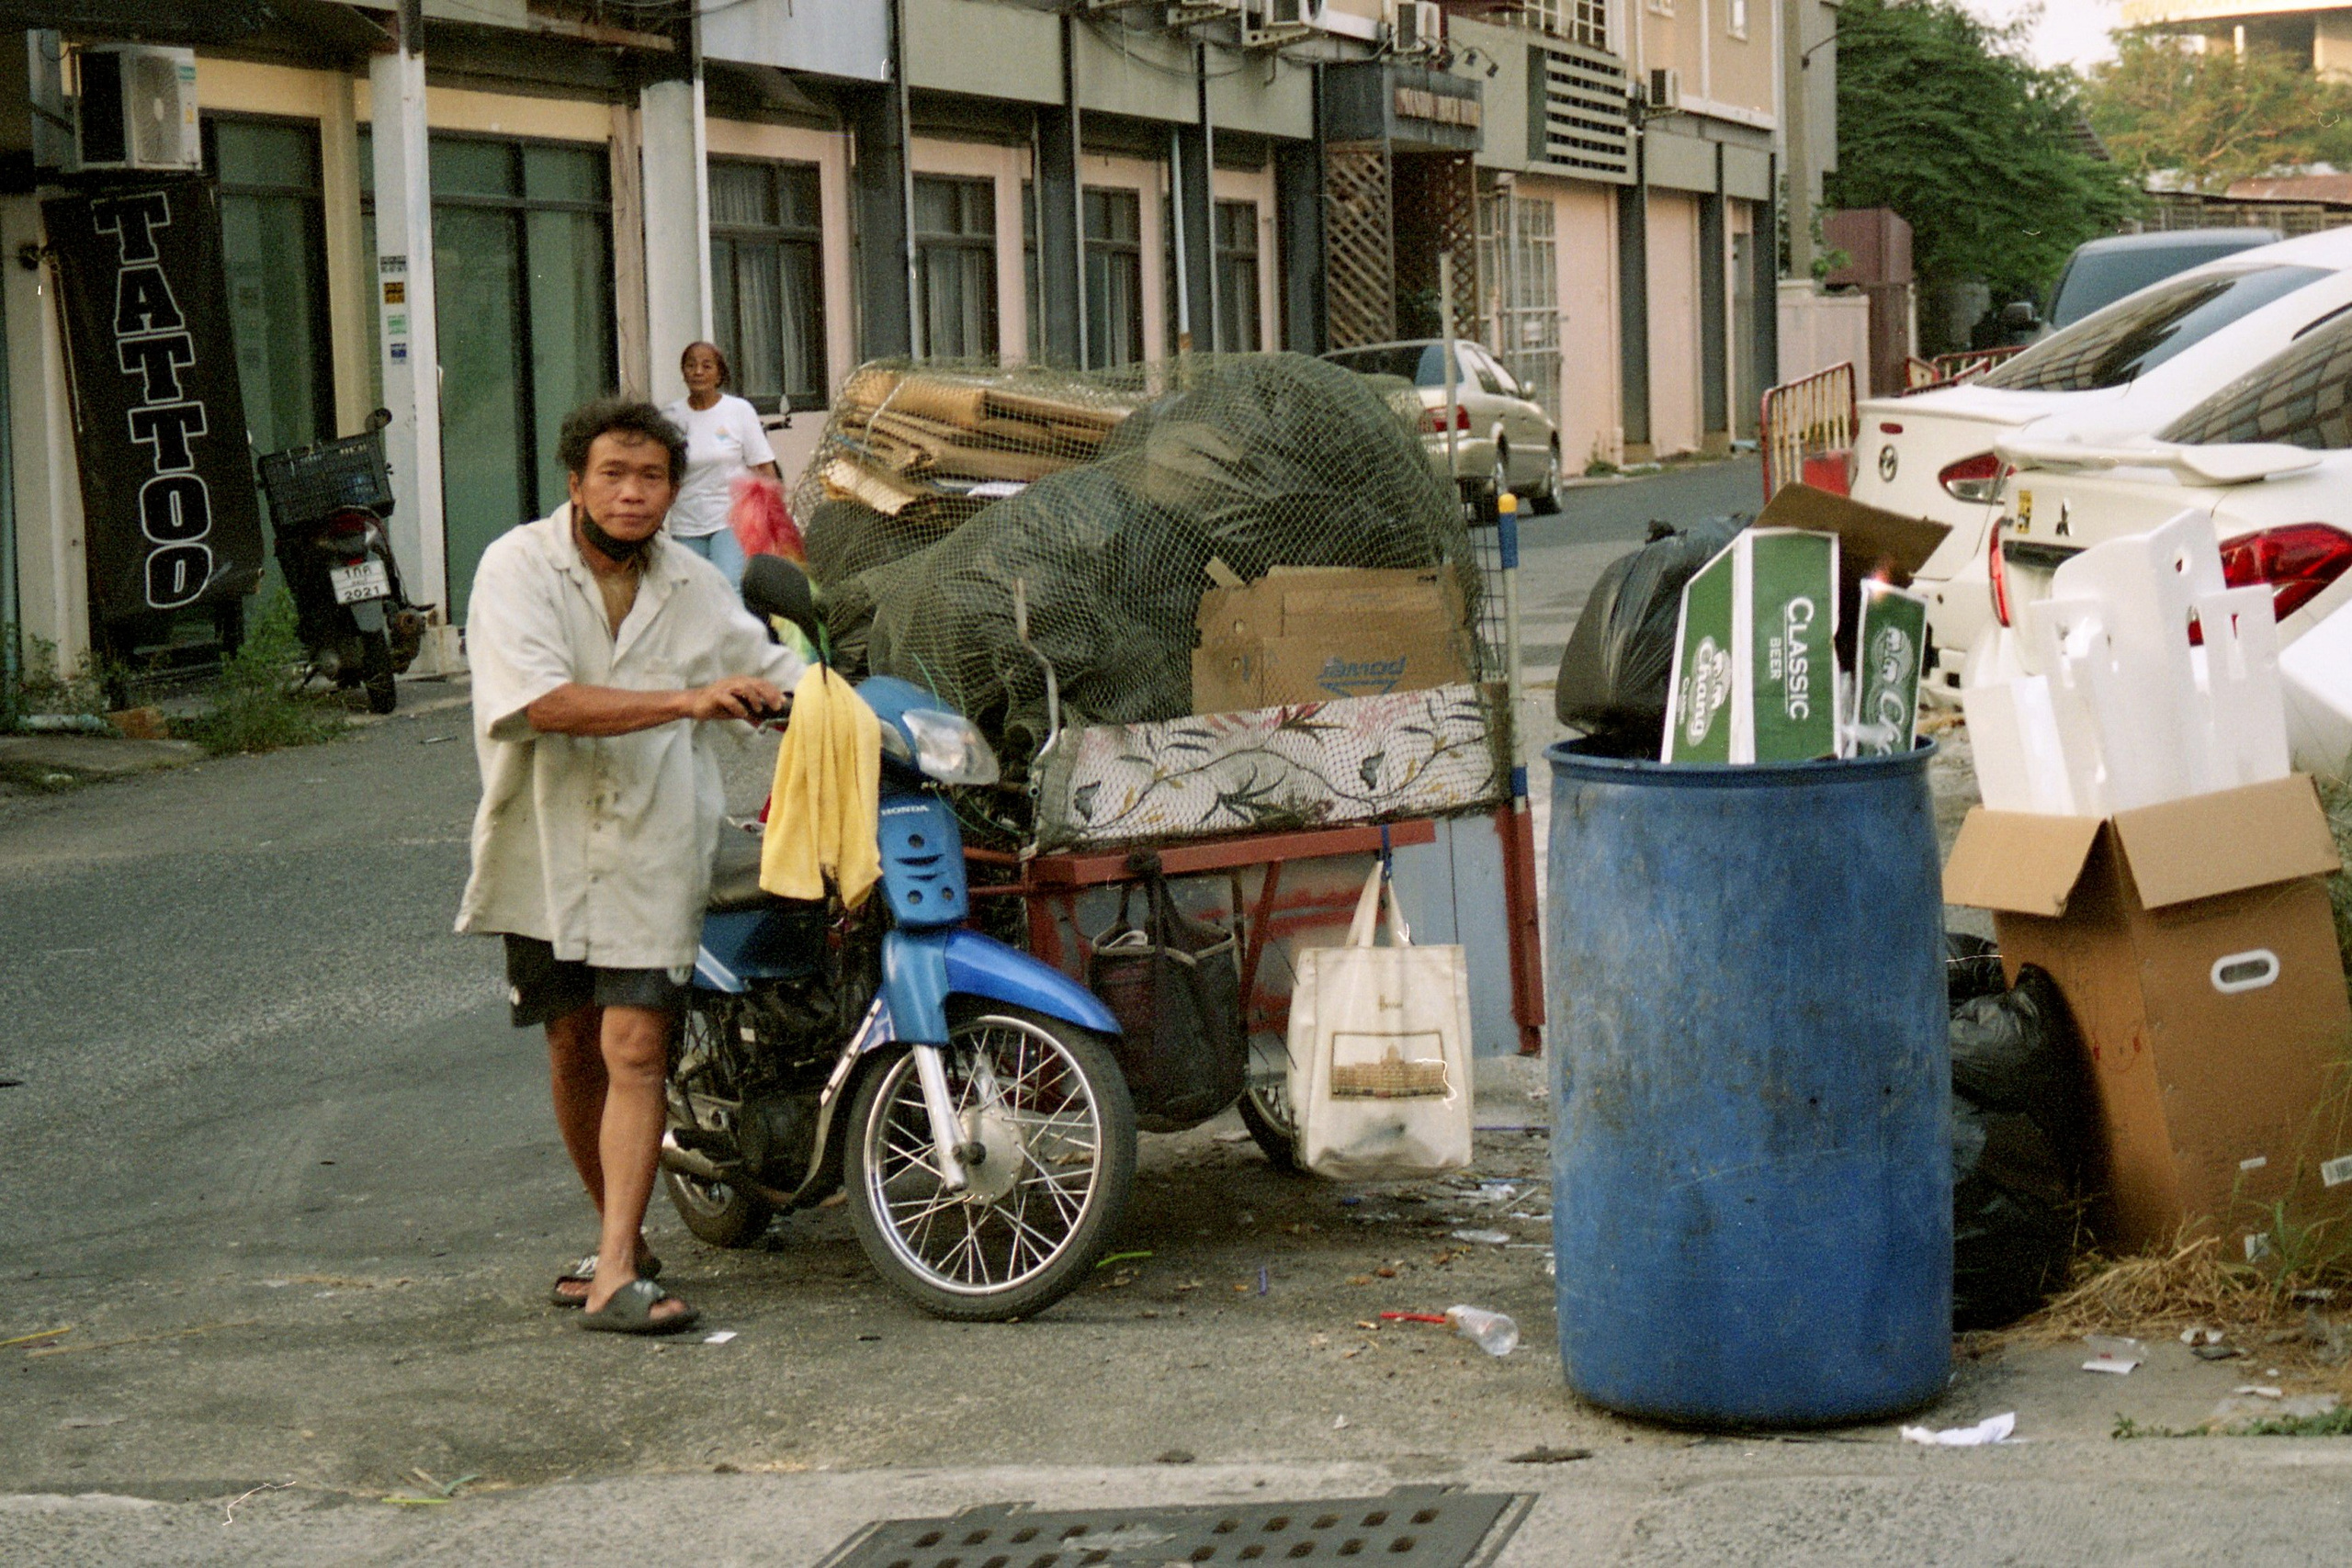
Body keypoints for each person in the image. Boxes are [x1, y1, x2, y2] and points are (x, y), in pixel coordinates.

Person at [456, 396, 805, 1335]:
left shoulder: (693, 583)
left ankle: (613, 1271)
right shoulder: (515, 567)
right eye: (613, 473)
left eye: (651, 476)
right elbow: (542, 703)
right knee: (572, 1044)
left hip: (654, 836)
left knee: (636, 1046)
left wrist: (844, 701)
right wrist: (690, 702)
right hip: (544, 839)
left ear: (673, 490)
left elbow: (768, 666)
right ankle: (626, 1239)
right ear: (576, 482)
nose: (632, 491)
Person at [662, 342, 780, 592]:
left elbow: (763, 467)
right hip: (687, 522)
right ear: (683, 373)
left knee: (727, 586)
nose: (698, 372)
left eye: (707, 366)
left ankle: (736, 632)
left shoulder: (738, 411)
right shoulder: (671, 416)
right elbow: (662, 474)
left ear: (719, 374)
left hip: (730, 518)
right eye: (690, 365)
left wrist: (775, 517)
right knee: (690, 594)